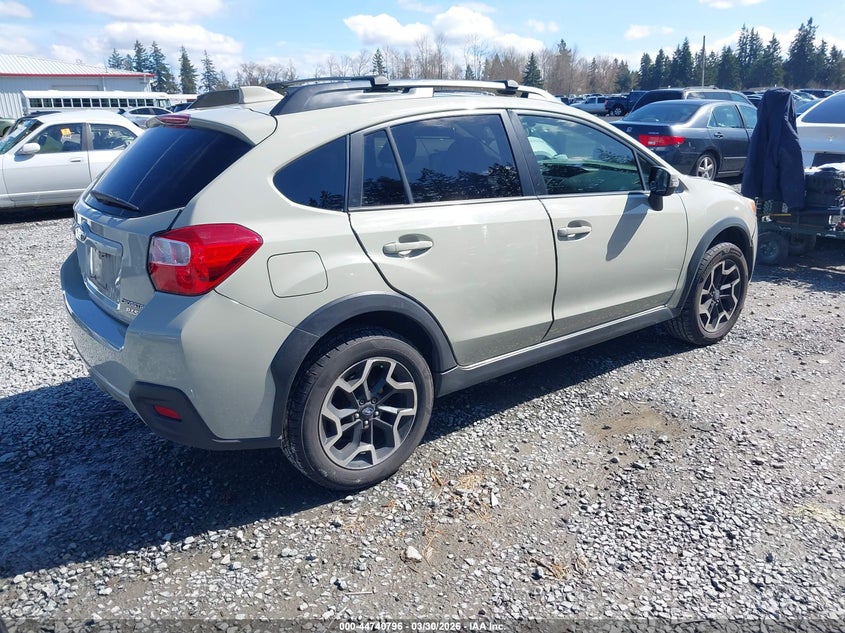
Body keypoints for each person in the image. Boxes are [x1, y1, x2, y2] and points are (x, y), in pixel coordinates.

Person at [741, 88, 805, 210]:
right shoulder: (788, 135)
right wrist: (795, 203)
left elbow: (752, 167)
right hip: (780, 201)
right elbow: (792, 173)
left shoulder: (759, 131)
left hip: (756, 197)